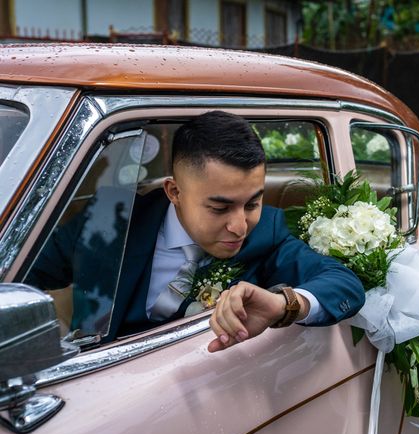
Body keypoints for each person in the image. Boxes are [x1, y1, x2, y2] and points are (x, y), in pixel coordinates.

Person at [27, 111, 366, 349]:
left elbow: (344, 284)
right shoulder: (109, 218)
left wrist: (284, 305)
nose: (239, 226)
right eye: (219, 208)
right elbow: (25, 275)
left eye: (252, 203)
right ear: (174, 192)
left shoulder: (268, 233)